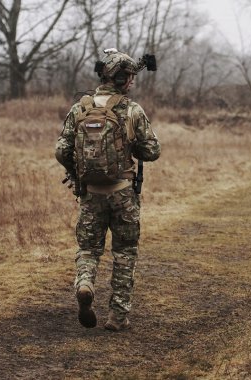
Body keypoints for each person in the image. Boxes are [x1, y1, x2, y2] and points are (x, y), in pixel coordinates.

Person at [55, 49, 161, 331]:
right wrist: (132, 146)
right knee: (125, 253)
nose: (133, 83)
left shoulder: (81, 108)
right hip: (124, 193)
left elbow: (61, 149)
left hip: (90, 194)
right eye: (131, 78)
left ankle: (86, 283)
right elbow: (152, 151)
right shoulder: (131, 110)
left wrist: (76, 174)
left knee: (88, 249)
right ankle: (117, 317)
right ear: (124, 79)